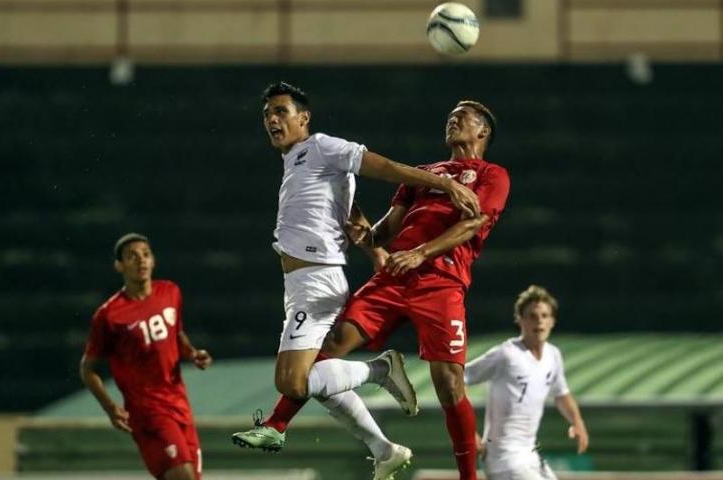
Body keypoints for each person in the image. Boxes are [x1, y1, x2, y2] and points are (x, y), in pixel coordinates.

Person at [240, 98, 510, 480]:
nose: (452, 122)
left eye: (462, 118)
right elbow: (387, 228)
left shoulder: (492, 174)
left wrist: (421, 253)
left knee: (449, 384)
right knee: (329, 348)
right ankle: (278, 424)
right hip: (395, 275)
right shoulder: (425, 172)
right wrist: (366, 235)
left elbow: (474, 224)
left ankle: (469, 476)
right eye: (449, 117)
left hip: (441, 281)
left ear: (483, 130)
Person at [80, 233, 213, 480]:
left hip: (179, 404)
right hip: (147, 411)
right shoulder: (109, 315)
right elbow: (87, 369)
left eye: (145, 254)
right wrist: (110, 407)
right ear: (119, 266)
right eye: (132, 256)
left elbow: (176, 334)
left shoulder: (170, 292)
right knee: (182, 477)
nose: (140, 260)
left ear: (153, 261)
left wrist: (193, 354)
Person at [464, 285, 589, 480]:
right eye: (532, 316)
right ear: (519, 320)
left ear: (552, 321)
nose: (539, 321)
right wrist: (467, 432)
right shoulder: (506, 354)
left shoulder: (553, 355)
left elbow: (561, 394)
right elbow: (457, 378)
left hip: (530, 456)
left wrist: (578, 422)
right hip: (502, 458)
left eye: (544, 315)